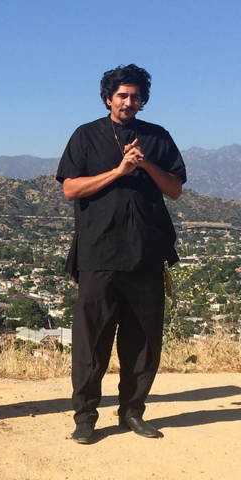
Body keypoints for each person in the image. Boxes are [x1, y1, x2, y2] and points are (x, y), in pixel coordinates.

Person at [56, 64, 186, 444]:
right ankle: (85, 416)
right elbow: (70, 189)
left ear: (142, 100)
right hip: (99, 253)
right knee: (91, 340)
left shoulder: (157, 138)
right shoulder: (86, 136)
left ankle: (132, 412)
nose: (129, 102)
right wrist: (119, 170)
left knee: (143, 340)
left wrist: (145, 163)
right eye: (122, 96)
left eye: (135, 96)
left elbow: (174, 188)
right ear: (108, 98)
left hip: (146, 254)